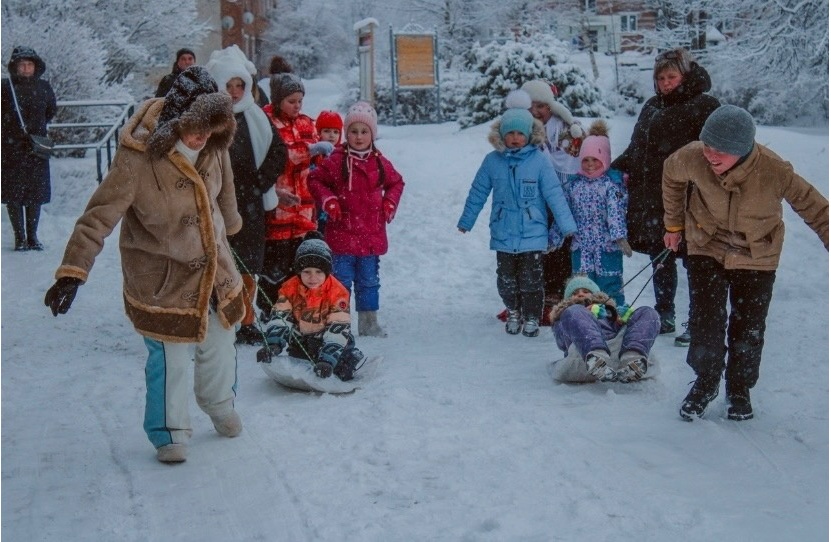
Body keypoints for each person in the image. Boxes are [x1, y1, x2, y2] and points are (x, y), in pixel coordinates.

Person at [44, 66, 246, 463]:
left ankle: (220, 403)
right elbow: (97, 216)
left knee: (222, 342)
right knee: (171, 358)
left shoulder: (214, 147)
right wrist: (72, 272)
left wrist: (236, 230)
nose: (202, 135)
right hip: (162, 276)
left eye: (210, 126)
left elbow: (226, 196)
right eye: (195, 126)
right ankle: (169, 430)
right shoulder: (137, 158)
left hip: (215, 268)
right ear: (176, 119)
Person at [662, 105, 829, 421]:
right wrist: (673, 224)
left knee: (748, 327)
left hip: (756, 253)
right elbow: (671, 174)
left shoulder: (774, 170)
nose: (710, 155)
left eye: (720, 152)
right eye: (707, 145)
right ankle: (706, 380)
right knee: (706, 321)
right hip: (706, 244)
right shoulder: (693, 156)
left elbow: (817, 209)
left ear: (741, 150)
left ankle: (739, 388)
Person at [611, 48, 721, 346]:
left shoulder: (704, 106)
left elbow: (717, 153)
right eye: (660, 78)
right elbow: (638, 148)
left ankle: (698, 320)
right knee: (661, 259)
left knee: (696, 261)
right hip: (654, 198)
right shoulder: (651, 107)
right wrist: (612, 169)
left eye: (671, 76)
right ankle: (665, 313)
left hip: (690, 198)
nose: (665, 83)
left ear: (685, 75)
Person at [457, 100, 576, 338]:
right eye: (509, 132)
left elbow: (554, 194)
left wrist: (567, 225)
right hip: (504, 232)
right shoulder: (492, 161)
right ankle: (513, 311)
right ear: (501, 134)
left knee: (532, 279)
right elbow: (478, 191)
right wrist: (466, 221)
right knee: (506, 280)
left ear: (528, 135)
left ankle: (531, 315)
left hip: (533, 232)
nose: (514, 138)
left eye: (519, 133)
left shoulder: (540, 161)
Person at [205, 46, 290, 345]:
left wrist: (261, 181)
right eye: (228, 86)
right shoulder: (209, 118)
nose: (234, 92)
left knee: (248, 264)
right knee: (219, 260)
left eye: (239, 86)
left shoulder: (255, 116)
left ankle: (247, 319)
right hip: (216, 202)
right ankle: (222, 315)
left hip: (250, 202)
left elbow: (279, 151)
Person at [308, 102, 405, 337]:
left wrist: (389, 203)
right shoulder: (337, 160)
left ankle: (369, 322)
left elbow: (396, 182)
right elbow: (315, 180)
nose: (359, 137)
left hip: (370, 236)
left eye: (364, 132)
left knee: (369, 281)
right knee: (341, 281)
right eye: (353, 131)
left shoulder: (379, 162)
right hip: (342, 234)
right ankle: (339, 323)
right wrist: (329, 200)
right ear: (346, 133)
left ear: (372, 134)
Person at [257, 73, 333, 316]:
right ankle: (270, 309)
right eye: (291, 100)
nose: (297, 105)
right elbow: (281, 156)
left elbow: (316, 161)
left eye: (300, 100)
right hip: (278, 206)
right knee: (274, 266)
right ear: (279, 99)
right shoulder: (265, 121)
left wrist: (323, 156)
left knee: (298, 263)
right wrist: (310, 150)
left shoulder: (306, 123)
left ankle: (294, 309)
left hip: (303, 205)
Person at [256, 231, 365, 380]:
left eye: (319, 272)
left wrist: (327, 359)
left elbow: (338, 327)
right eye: (307, 271)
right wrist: (274, 343)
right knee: (301, 364)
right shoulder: (289, 288)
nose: (312, 277)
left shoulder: (338, 292)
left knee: (341, 369)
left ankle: (351, 358)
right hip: (302, 340)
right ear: (299, 271)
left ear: (327, 272)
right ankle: (313, 360)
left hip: (331, 339)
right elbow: (281, 317)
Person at [520, 80, 587, 320]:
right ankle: (541, 290)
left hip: (566, 193)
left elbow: (579, 160)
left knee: (563, 244)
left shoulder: (569, 129)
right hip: (536, 196)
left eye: (541, 106)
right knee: (540, 243)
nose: (536, 112)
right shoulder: (523, 130)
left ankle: (561, 289)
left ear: (551, 106)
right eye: (531, 107)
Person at [553, 120, 630, 307]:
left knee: (610, 288)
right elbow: (564, 213)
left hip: (607, 248)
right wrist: (554, 237)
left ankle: (616, 318)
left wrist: (620, 237)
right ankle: (585, 320)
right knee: (582, 289)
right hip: (582, 249)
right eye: (585, 160)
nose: (589, 165)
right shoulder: (574, 186)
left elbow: (616, 212)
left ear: (604, 159)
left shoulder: (612, 185)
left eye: (595, 160)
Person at [550, 275, 660, 383]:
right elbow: (562, 340)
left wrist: (621, 321)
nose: (580, 294)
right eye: (575, 293)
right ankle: (596, 358)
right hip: (583, 356)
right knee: (573, 311)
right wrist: (582, 315)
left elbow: (618, 329)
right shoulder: (567, 314)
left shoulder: (609, 312)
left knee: (647, 312)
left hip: (618, 352)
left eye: (585, 291)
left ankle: (633, 358)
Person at [1, 46, 57, 251]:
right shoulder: (5, 88)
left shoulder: (43, 87)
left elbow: (51, 109)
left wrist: (35, 130)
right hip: (9, 149)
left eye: (29, 65)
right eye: (22, 65)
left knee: (35, 194)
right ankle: (20, 238)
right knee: (14, 196)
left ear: (36, 67)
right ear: (15, 67)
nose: (25, 68)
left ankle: (33, 237)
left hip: (36, 147)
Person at [311, 110, 344, 234]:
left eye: (336, 132)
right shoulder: (314, 154)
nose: (332, 136)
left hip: (335, 205)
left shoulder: (342, 154)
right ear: (318, 132)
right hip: (316, 206)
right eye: (327, 131)